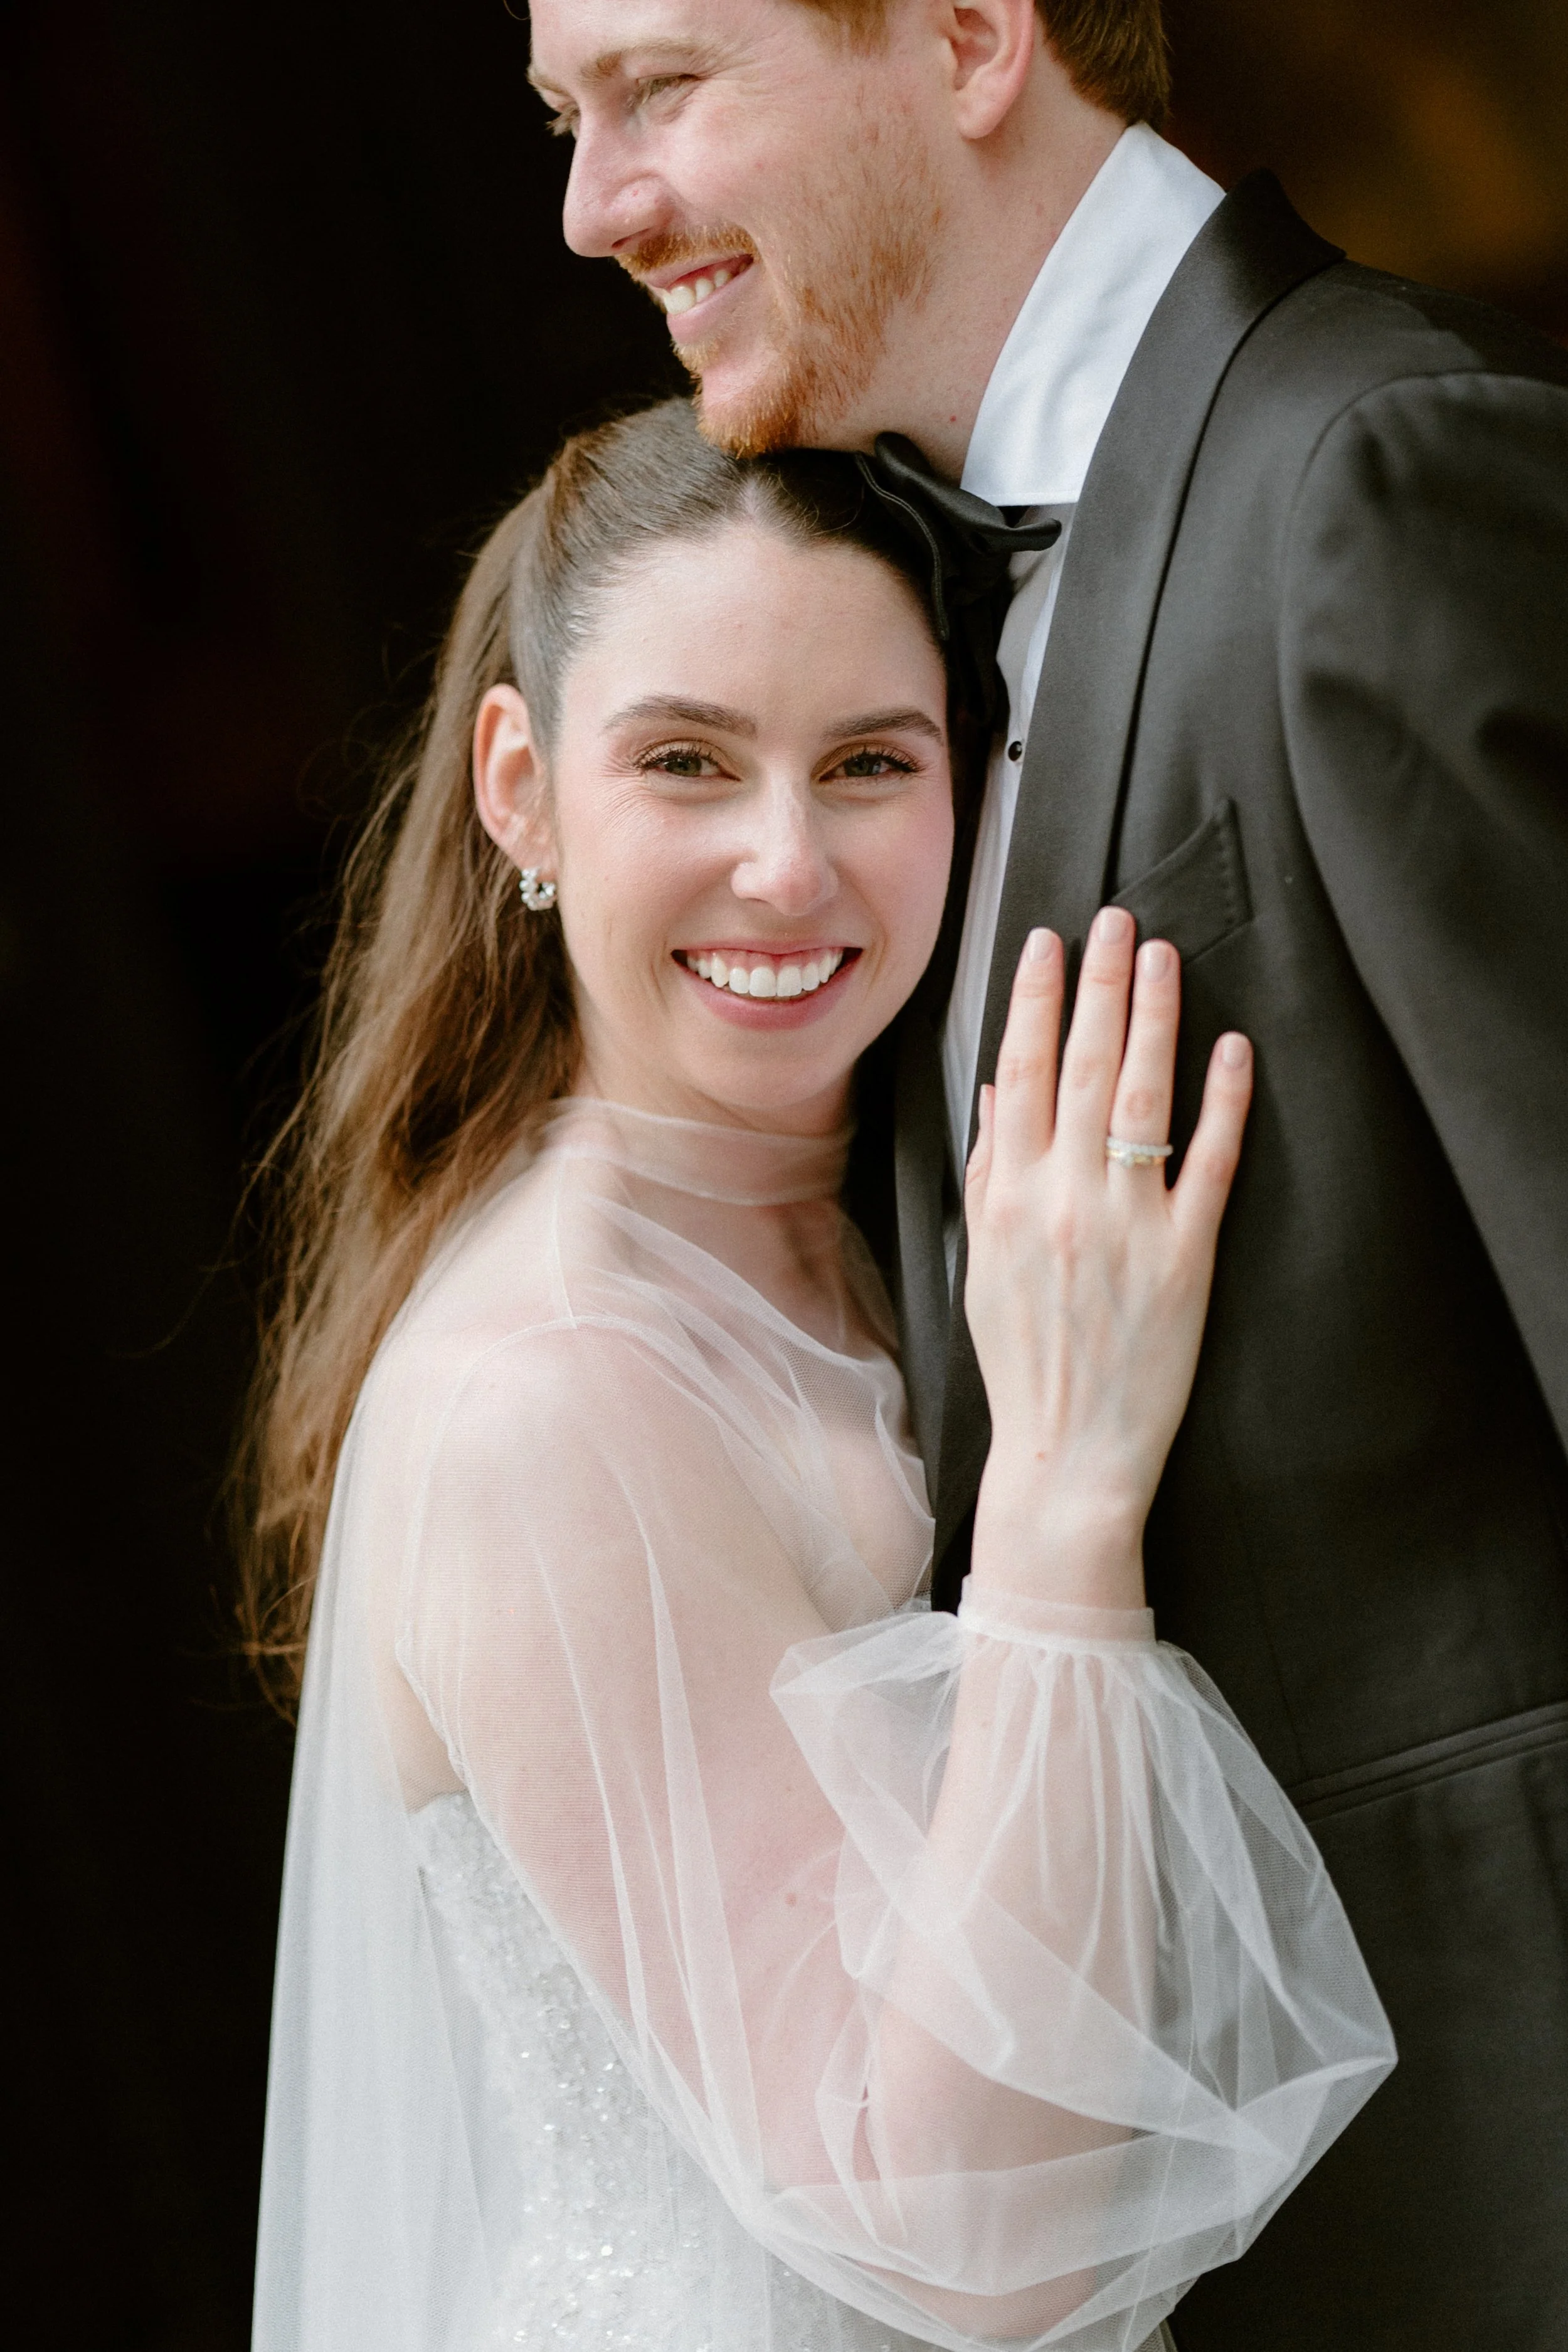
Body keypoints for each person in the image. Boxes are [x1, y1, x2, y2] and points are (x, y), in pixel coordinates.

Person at [524, 4, 1568, 2342]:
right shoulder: (905, 657)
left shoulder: (1375, 484)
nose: (594, 207)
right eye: (564, 119)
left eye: (657, 90)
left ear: (978, 37)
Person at [244, 401, 1390, 2352]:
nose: (785, 864)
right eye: (685, 760)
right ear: (517, 787)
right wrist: (1056, 1497)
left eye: (869, 761)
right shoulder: (541, 1398)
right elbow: (964, 2233)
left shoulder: (886, 1213)